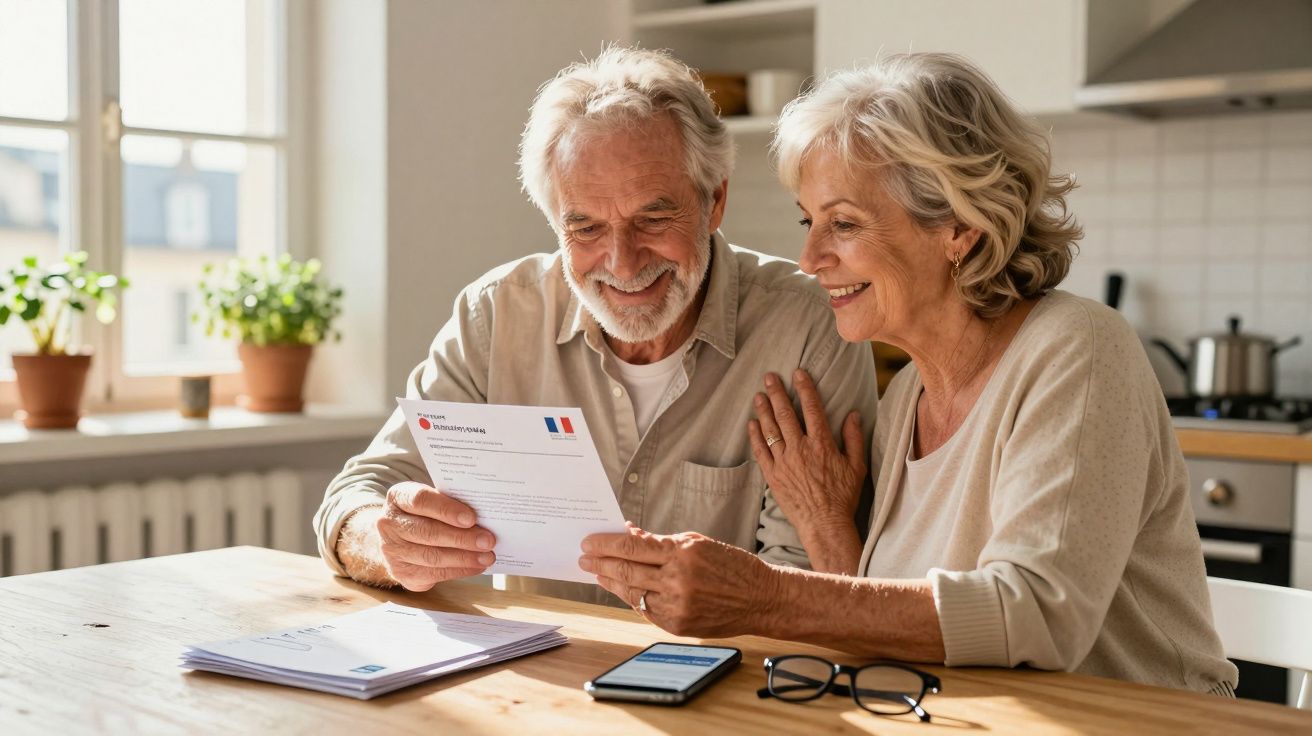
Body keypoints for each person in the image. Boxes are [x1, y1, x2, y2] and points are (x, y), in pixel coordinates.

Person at [579, 52, 1238, 695]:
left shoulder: (1078, 349)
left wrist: (766, 595)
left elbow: (1040, 614)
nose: (809, 258)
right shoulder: (906, 398)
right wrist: (829, 530)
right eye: (810, 222)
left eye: (843, 223)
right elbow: (893, 630)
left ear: (960, 226)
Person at [312, 47, 879, 606]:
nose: (623, 263)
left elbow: (809, 586)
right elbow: (357, 496)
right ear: (554, 221)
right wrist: (385, 542)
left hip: (725, 677)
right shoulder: (495, 316)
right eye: (584, 229)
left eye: (653, 219)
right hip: (540, 678)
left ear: (714, 202)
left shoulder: (809, 327)